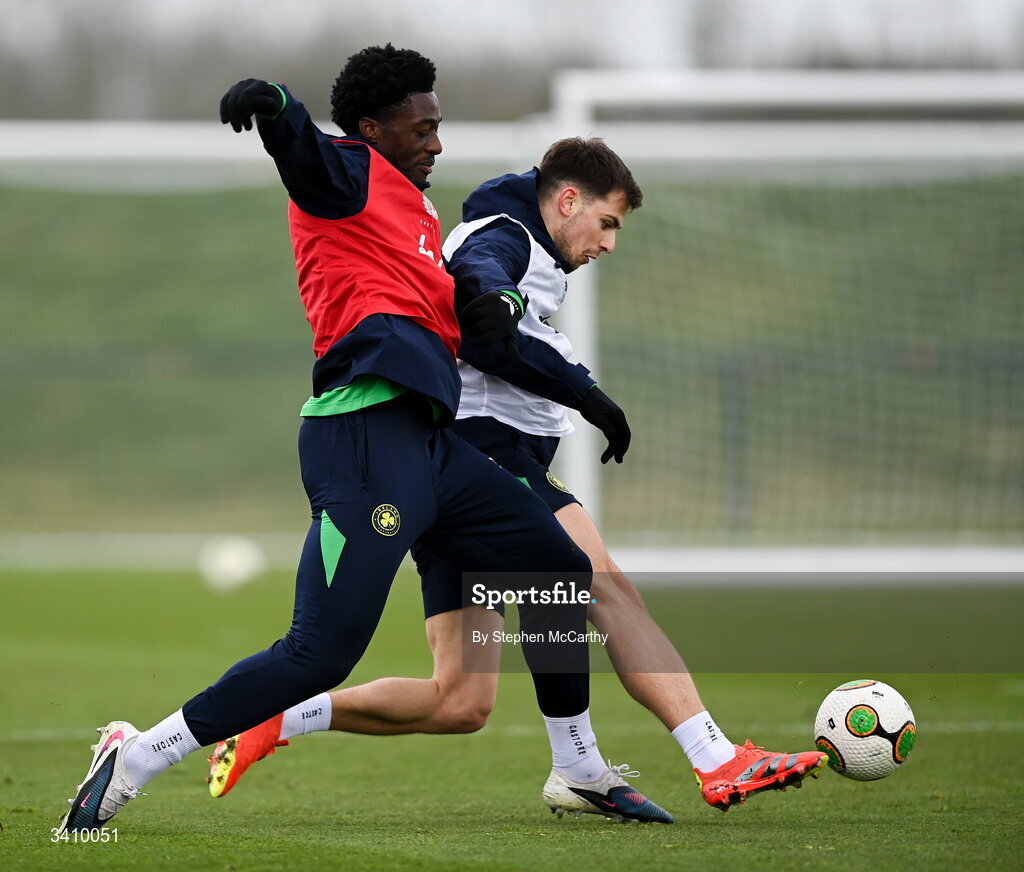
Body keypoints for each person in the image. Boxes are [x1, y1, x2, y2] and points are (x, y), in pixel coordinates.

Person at [57, 45, 657, 835]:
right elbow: (300, 147)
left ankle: (578, 764)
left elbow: (468, 321)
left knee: (557, 567)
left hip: (433, 450)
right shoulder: (348, 170)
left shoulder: (414, 212)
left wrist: (546, 363)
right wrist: (273, 103)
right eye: (424, 128)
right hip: (366, 440)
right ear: (374, 127)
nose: (437, 143)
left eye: (440, 128)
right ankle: (136, 756)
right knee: (317, 655)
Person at [206, 137, 827, 818]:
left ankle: (272, 719)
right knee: (604, 588)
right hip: (486, 455)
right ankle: (712, 758)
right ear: (568, 200)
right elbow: (480, 280)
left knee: (460, 700)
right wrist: (581, 390)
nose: (610, 244)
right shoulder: (508, 237)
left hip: (436, 468)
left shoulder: (522, 240)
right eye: (608, 223)